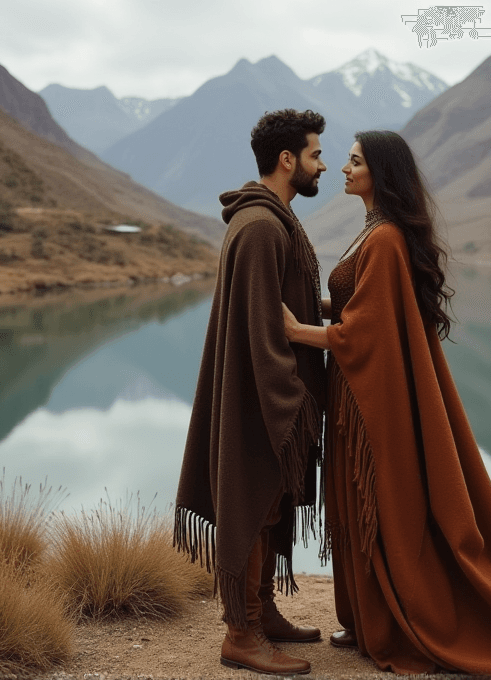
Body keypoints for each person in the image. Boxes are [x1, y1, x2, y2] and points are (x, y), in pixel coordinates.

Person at [282, 130, 491, 675]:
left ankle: (393, 620)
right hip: (359, 391)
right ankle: (370, 616)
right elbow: (362, 307)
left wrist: (297, 331)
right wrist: (314, 307)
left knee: (381, 506)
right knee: (363, 506)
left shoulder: (383, 239)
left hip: (369, 399)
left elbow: (365, 332)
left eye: (355, 161)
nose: (343, 168)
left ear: (379, 174)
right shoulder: (375, 231)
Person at [174, 109, 328, 676]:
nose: (322, 164)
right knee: (255, 504)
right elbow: (265, 330)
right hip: (262, 399)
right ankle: (241, 634)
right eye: (315, 154)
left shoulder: (271, 218)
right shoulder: (262, 226)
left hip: (260, 395)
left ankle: (261, 613)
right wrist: (293, 404)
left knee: (269, 507)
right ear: (287, 160)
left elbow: (289, 306)